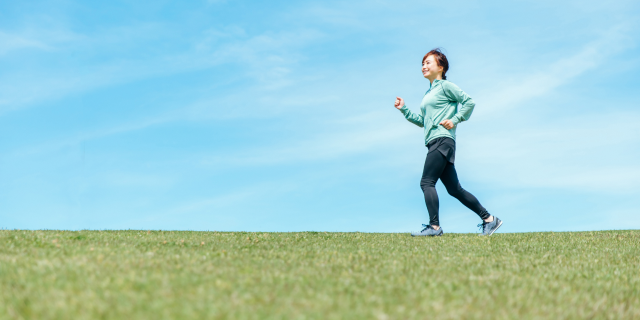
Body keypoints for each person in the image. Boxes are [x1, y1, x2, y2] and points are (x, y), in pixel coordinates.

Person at [394, 48, 502, 237]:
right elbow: (423, 121)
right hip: (435, 140)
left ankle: (434, 227)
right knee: (454, 189)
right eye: (422, 63)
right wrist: (404, 110)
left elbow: (469, 102)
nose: (423, 66)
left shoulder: (445, 86)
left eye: (428, 62)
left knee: (427, 182)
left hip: (442, 139)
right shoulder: (429, 92)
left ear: (440, 66)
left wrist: (455, 120)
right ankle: (489, 219)